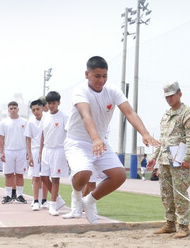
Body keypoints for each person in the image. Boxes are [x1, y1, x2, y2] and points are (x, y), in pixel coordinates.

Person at [63, 56, 160, 224]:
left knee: (119, 175)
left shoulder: (113, 90)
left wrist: (144, 133)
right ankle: (77, 195)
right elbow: (86, 116)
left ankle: (90, 201)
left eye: (104, 76)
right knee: (84, 173)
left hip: (100, 142)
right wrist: (95, 139)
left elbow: (129, 113)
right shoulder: (80, 91)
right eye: (97, 76)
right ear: (87, 74)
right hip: (78, 142)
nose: (101, 80)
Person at [149, 81, 190, 238]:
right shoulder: (166, 115)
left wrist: (187, 157)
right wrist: (154, 157)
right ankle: (170, 223)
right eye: (166, 97)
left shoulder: (187, 112)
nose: (169, 99)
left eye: (171, 96)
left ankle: (183, 226)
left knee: (179, 193)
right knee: (166, 193)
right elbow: (162, 139)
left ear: (179, 94)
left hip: (179, 159)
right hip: (165, 159)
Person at [39, 91, 67, 216]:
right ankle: (58, 199)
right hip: (46, 149)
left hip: (59, 150)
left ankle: (53, 205)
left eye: (54, 103)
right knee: (43, 176)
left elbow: (68, 135)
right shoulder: (44, 117)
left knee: (55, 178)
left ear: (58, 103)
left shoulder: (64, 117)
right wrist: (40, 152)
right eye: (49, 103)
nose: (51, 105)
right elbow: (42, 135)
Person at [0, 101, 28, 204]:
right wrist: (1, 152)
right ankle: (8, 195)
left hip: (21, 151)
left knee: (20, 175)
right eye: (11, 108)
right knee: (8, 175)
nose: (13, 110)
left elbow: (28, 138)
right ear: (8, 110)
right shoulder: (4, 122)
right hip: (8, 151)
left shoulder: (24, 121)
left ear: (18, 109)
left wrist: (28, 151)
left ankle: (19, 196)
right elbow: (1, 139)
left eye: (15, 108)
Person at [24, 99, 45, 211]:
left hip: (47, 150)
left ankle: (44, 200)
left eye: (38, 109)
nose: (36, 111)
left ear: (42, 108)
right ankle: (36, 200)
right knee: (36, 176)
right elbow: (28, 139)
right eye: (33, 110)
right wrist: (29, 155)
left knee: (46, 177)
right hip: (35, 151)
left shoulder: (47, 119)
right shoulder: (30, 122)